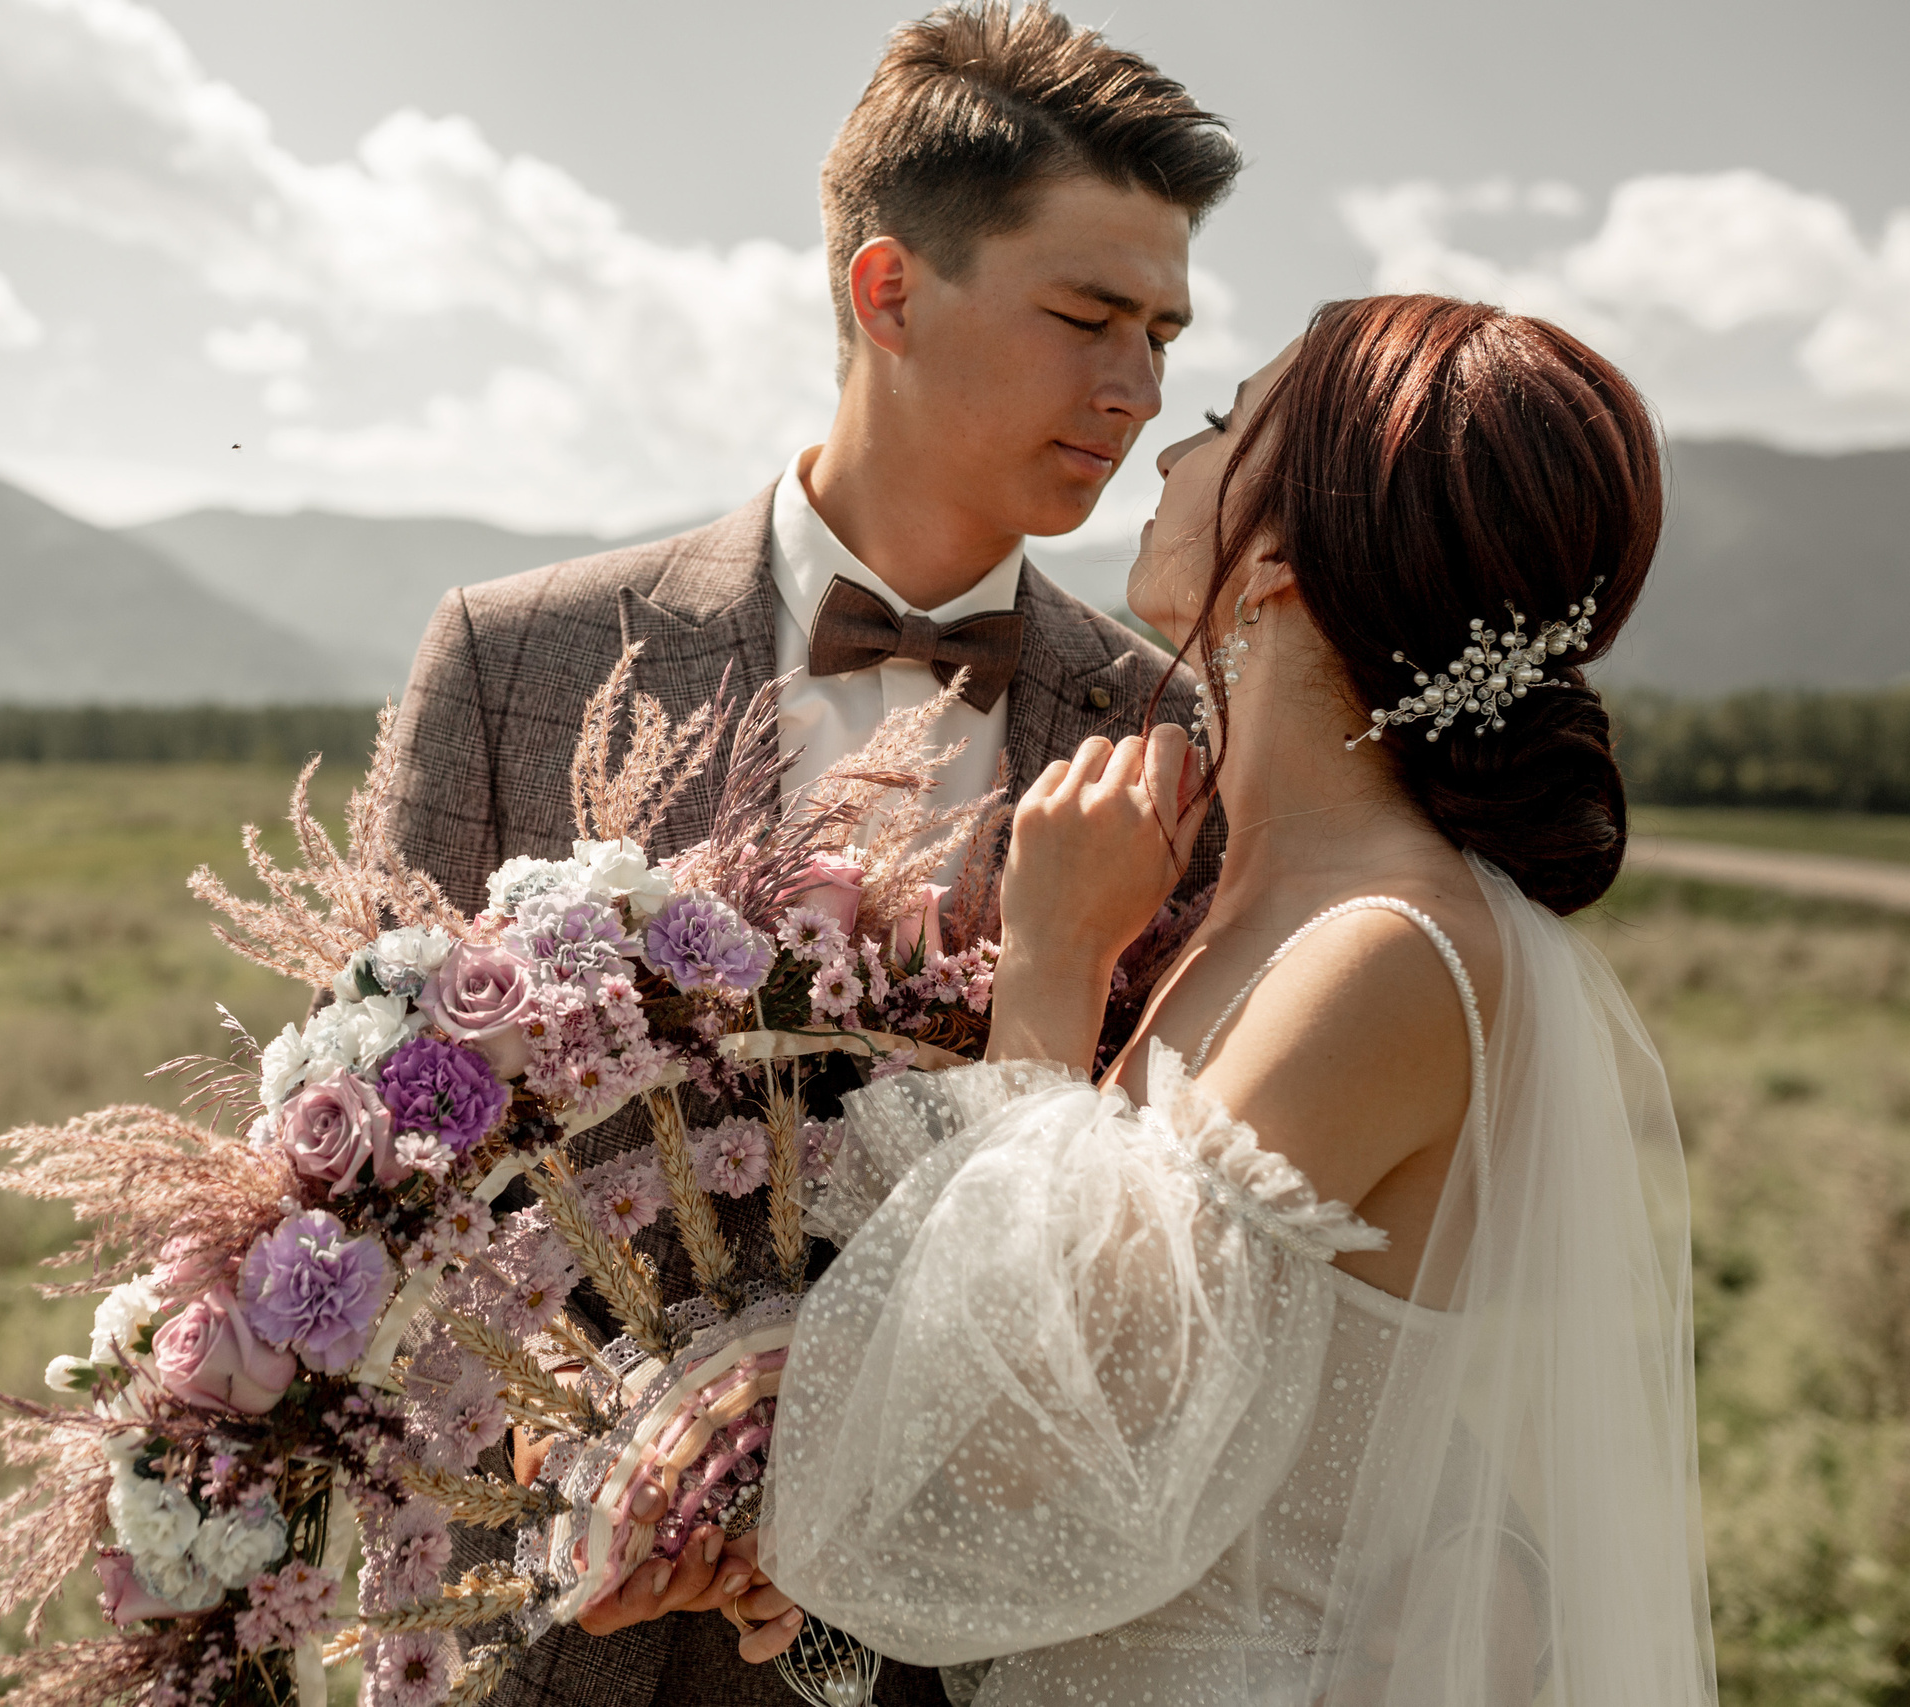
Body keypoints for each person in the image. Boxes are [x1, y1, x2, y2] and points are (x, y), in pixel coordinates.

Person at [384, 9, 1237, 1704]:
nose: (1136, 392)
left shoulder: (1173, 738)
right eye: (1087, 317)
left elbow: (1165, 1256)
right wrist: (600, 1477)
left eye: (1161, 332)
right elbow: (392, 1192)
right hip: (554, 1650)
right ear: (888, 290)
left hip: (966, 1652)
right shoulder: (512, 661)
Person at [738, 293, 1718, 1706]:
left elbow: (1020, 1446)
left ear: (1277, 572)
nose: (1161, 453)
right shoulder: (1253, 909)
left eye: (1217, 426)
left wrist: (1055, 964)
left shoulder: (1384, 954)